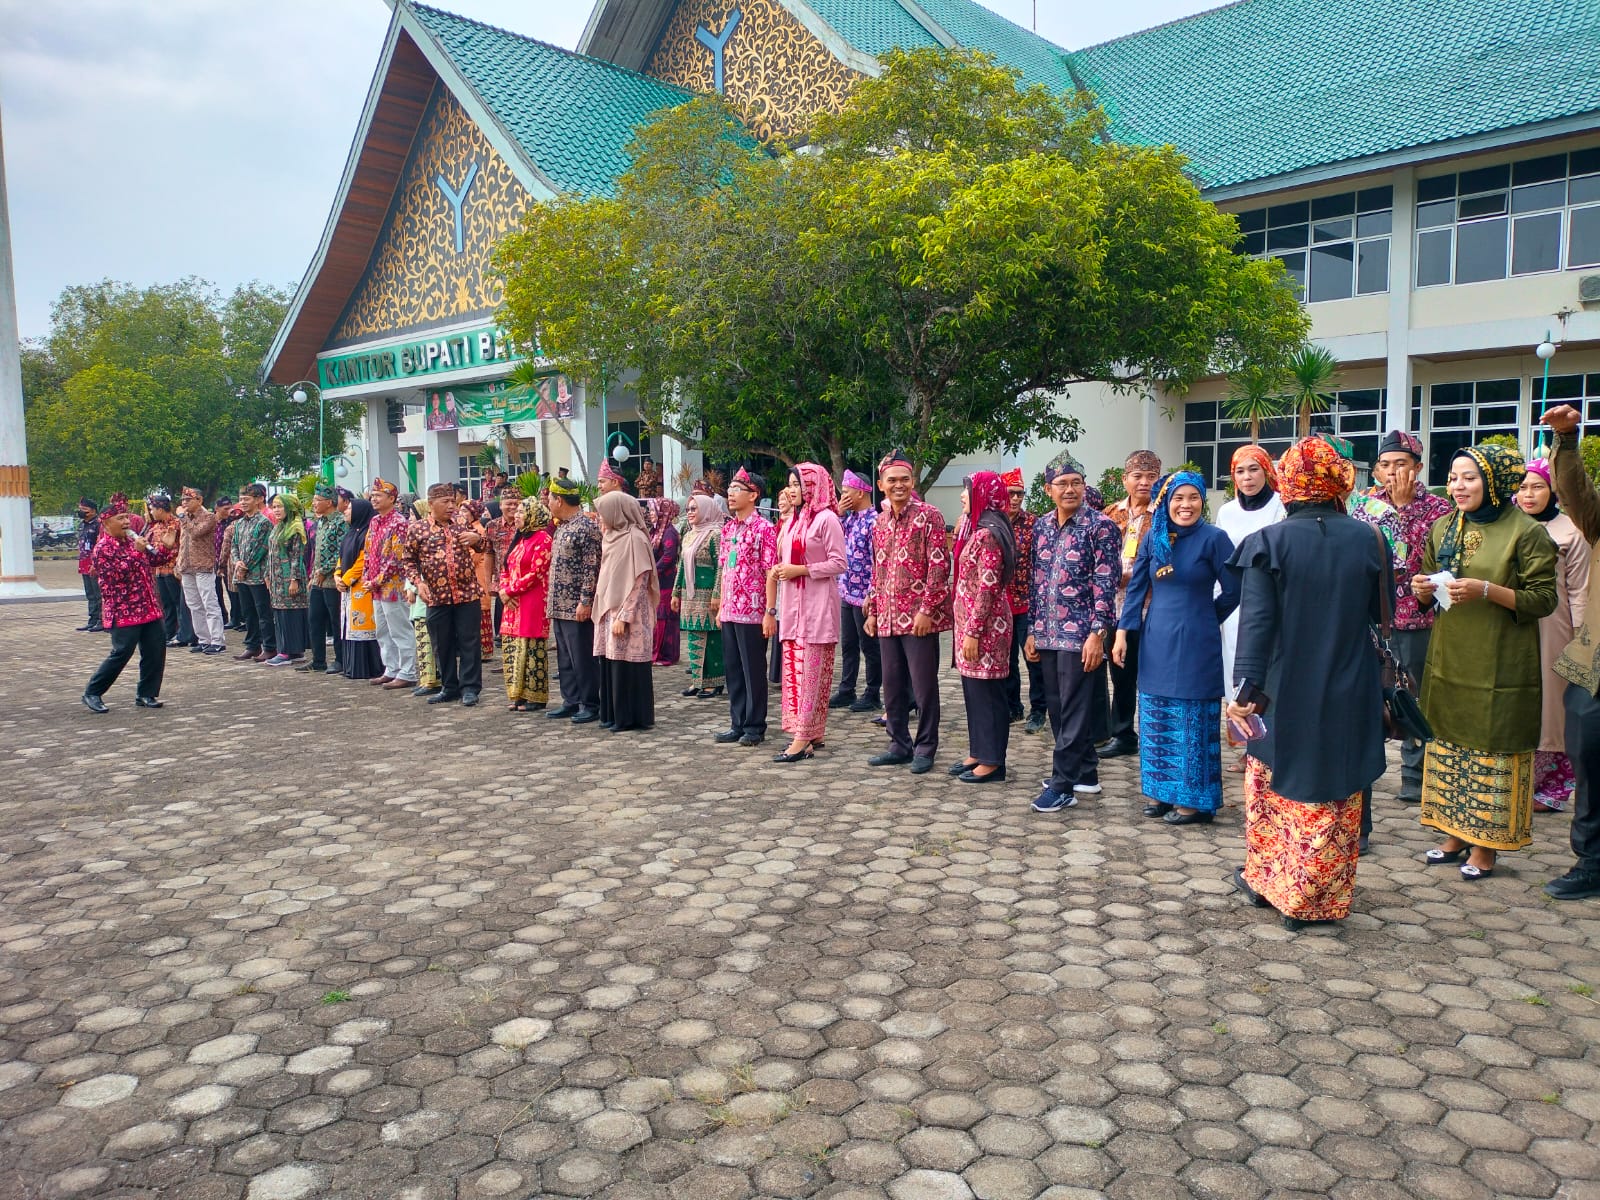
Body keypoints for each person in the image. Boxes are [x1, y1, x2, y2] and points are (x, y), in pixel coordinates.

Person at [1227, 436, 1390, 930]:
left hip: (1281, 688)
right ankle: (1314, 898)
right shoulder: (1368, 538)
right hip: (1348, 682)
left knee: (1276, 787)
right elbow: (1381, 615)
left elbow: (1255, 627)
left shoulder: (1267, 543)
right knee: (1333, 791)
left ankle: (1271, 883)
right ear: (1339, 479)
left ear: (1287, 481)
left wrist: (1244, 695)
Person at [1412, 444, 1557, 881]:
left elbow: (1544, 599)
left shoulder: (1527, 532)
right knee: (1451, 744)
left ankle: (1487, 847)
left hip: (1500, 663)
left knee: (1492, 750)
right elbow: (1429, 582)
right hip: (1449, 658)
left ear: (1495, 481)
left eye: (1469, 477)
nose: (1458, 485)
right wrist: (1421, 589)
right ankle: (1454, 835)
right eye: (1454, 477)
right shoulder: (1443, 527)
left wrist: (1487, 590)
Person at [1113, 470, 1240, 824]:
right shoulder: (1154, 538)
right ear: (1166, 502)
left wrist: (1206, 616)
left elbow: (1234, 589)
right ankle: (1161, 793)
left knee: (1191, 716)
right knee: (1155, 713)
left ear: (1203, 501)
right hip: (1157, 637)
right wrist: (1123, 633)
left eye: (1193, 498)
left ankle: (1195, 802)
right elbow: (1136, 587)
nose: (1186, 506)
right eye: (1178, 499)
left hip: (1196, 638)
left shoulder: (1215, 539)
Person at [1025, 454, 1120, 811]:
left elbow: (1105, 583)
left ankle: (1063, 784)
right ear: (1048, 490)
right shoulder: (1042, 526)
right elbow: (1036, 581)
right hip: (1047, 633)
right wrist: (1032, 629)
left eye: (1076, 482)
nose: (1070, 489)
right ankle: (1087, 774)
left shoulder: (1101, 526)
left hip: (1081, 635)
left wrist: (1099, 633)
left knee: (1076, 709)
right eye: (1062, 484)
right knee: (1057, 708)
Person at [1369, 430, 1455, 803]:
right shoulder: (1366, 505)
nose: (1392, 473)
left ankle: (1413, 771)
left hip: (1420, 619)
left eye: (1401, 464)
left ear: (1417, 468)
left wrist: (1402, 511)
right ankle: (1367, 766)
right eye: (1385, 465)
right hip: (1374, 616)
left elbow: (1411, 560)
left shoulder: (1439, 511)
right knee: (1370, 693)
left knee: (1415, 693)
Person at [1540, 404, 1600, 898]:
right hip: (1594, 663)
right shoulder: (1597, 522)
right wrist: (1567, 440)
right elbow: (1576, 491)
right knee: (1589, 756)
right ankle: (1591, 862)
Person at [865, 453, 952, 774]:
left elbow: (940, 565)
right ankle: (899, 744)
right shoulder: (880, 521)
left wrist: (928, 610)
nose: (898, 485)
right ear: (881, 485)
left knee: (924, 686)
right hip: (887, 617)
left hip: (919, 620)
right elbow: (878, 569)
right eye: (892, 480)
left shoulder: (929, 516)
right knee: (892, 684)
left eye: (905, 479)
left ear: (912, 482)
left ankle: (926, 746)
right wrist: (873, 610)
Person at [1514, 458, 1589, 812]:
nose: (1528, 495)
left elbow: (1579, 589)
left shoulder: (1570, 530)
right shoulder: (1505, 526)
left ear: (1553, 490)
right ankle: (1515, 781)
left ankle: (1552, 789)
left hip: (1554, 626)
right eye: (1522, 486)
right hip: (1511, 622)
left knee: (1552, 704)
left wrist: (1579, 639)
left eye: (1537, 486)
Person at [767, 464, 847, 762]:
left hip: (817, 608)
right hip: (793, 607)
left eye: (797, 485)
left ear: (813, 487)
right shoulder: (793, 520)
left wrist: (800, 569)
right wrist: (781, 569)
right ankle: (812, 733)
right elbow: (785, 560)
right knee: (795, 671)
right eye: (789, 484)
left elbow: (839, 563)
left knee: (811, 672)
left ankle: (802, 739)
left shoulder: (827, 520)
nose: (791, 490)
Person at [949, 472, 1018, 783]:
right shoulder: (976, 527)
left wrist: (974, 631)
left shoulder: (988, 534)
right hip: (973, 625)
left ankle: (993, 761)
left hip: (986, 627)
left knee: (988, 694)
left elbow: (988, 586)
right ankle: (979, 750)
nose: (963, 496)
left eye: (968, 491)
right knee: (973, 691)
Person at [1213, 447, 1285, 719]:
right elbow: (1222, 559)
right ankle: (1243, 739)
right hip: (1234, 601)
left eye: (1254, 469)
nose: (1247, 478)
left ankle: (1266, 740)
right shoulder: (1227, 511)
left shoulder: (1281, 505)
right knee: (1235, 663)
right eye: (1240, 471)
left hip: (1269, 599)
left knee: (1268, 664)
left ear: (1267, 471)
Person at [402, 484, 487, 706]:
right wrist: (418, 583)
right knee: (442, 643)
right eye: (445, 502)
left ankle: (470, 688)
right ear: (431, 504)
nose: (451, 506)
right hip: (436, 596)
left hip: (467, 593)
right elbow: (408, 561)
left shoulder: (462, 523)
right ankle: (449, 686)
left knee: (470, 642)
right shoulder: (417, 529)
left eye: (453, 501)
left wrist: (477, 539)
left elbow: (484, 546)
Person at [1102, 450, 1163, 758]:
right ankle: (1123, 733)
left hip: (1153, 608)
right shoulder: (1111, 512)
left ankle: (1156, 734)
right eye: (1137, 476)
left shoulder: (1167, 512)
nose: (1144, 482)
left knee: (1153, 675)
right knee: (1121, 673)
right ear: (1124, 479)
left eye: (1151, 477)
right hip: (1116, 608)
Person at [81, 506, 167, 713]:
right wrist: (137, 553)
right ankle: (93, 692)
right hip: (124, 609)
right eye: (120, 518)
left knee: (155, 650)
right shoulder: (103, 548)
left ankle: (147, 693)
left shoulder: (132, 541)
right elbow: (117, 575)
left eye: (127, 517)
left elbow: (155, 560)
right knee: (121, 652)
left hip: (148, 606)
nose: (126, 522)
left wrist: (163, 547)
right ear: (106, 523)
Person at [715, 467, 778, 747]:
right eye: (729, 489)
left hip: (753, 611)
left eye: (737, 489)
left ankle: (755, 725)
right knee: (733, 669)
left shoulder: (764, 529)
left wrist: (769, 612)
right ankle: (737, 722)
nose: (730, 493)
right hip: (729, 609)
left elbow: (770, 572)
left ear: (754, 495)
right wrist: (719, 606)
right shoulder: (728, 528)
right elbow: (723, 570)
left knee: (753, 670)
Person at [592, 490, 658, 732]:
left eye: (604, 513)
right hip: (609, 609)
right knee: (611, 662)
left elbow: (641, 580)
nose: (601, 519)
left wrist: (624, 616)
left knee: (628, 663)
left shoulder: (635, 539)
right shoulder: (611, 536)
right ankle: (611, 714)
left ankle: (631, 717)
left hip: (631, 614)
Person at [546, 474, 603, 723]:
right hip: (558, 604)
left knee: (582, 657)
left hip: (576, 605)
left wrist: (585, 601)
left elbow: (592, 567)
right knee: (565, 658)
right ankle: (570, 700)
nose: (547, 501)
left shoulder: (586, 527)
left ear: (559, 500)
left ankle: (590, 703)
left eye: (549, 497)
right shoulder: (562, 527)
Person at [829, 469, 880, 713]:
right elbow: (833, 538)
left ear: (860, 493)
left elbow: (877, 561)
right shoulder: (848, 519)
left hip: (865, 595)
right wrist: (839, 513)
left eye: (846, 492)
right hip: (847, 590)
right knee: (848, 644)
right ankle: (846, 689)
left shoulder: (874, 522)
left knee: (869, 647)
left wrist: (872, 593)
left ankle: (872, 692)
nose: (843, 496)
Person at [1001, 468, 1046, 734]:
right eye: (1010, 494)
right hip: (1002, 604)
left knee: (1034, 659)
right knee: (1006, 661)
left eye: (1019, 493)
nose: (1015, 499)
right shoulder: (994, 522)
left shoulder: (1034, 524)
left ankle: (1039, 710)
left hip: (1028, 603)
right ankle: (1012, 707)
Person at [499, 496, 554, 711]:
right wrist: (504, 590)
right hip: (512, 602)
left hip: (532, 601)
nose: (516, 515)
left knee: (532, 648)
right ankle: (518, 695)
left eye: (521, 512)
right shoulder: (520, 538)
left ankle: (536, 697)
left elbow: (536, 573)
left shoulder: (543, 539)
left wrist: (509, 590)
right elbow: (506, 567)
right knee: (514, 647)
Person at [364, 479, 418, 689]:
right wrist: (368, 577)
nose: (373, 499)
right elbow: (368, 551)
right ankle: (391, 668)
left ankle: (408, 671)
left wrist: (377, 580)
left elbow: (396, 559)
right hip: (375, 588)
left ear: (392, 499)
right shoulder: (375, 521)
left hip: (393, 586)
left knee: (400, 630)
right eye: (373, 495)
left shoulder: (399, 523)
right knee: (382, 631)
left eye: (378, 496)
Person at [673, 495, 725, 698]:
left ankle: (715, 681)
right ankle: (697, 680)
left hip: (708, 594)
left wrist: (717, 594)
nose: (690, 512)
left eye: (694, 508)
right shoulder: (688, 535)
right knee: (694, 636)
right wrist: (676, 592)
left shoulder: (715, 535)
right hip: (689, 595)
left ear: (706, 509)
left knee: (712, 638)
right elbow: (681, 566)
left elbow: (721, 567)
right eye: (688, 509)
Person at [335, 498, 385, 680]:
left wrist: (347, 579)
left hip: (361, 586)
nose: (346, 511)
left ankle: (368, 667)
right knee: (349, 625)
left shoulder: (367, 534)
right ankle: (350, 666)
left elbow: (363, 560)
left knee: (363, 624)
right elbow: (341, 557)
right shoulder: (350, 534)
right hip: (347, 588)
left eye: (349, 508)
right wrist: (338, 575)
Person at [300, 484, 347, 674]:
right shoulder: (320, 523)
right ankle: (318, 660)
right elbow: (315, 553)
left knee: (336, 622)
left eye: (317, 501)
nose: (314, 504)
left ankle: (341, 659)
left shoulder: (340, 522)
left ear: (329, 502)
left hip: (332, 581)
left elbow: (340, 551)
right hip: (317, 580)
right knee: (315, 620)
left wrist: (324, 570)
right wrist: (313, 575)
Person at [230, 484, 277, 662]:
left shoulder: (264, 523)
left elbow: (261, 549)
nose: (243, 502)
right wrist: (237, 562)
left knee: (263, 612)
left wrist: (245, 566)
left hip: (257, 574)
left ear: (258, 500)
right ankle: (252, 645)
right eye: (241, 499)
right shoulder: (239, 523)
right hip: (241, 574)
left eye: (247, 499)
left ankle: (270, 646)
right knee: (248, 612)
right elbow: (234, 545)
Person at [262, 492, 311, 665]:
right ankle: (290, 651)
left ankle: (289, 651)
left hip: (289, 579)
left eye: (280, 506)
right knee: (280, 614)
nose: (276, 510)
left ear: (290, 507)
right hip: (276, 579)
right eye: (274, 507)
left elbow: (297, 556)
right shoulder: (278, 527)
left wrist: (294, 579)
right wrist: (267, 574)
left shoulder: (295, 528)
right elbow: (271, 553)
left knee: (291, 614)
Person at [176, 487, 224, 655]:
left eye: (188, 500)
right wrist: (178, 563)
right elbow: (182, 542)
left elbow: (196, 533)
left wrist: (182, 517)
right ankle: (204, 639)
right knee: (194, 605)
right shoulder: (186, 518)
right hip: (186, 567)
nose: (184, 503)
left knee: (209, 603)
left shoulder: (209, 517)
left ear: (200, 500)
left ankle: (217, 640)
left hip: (203, 566)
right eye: (182, 500)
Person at [405, 498, 443, 698]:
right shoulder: (414, 537)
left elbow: (422, 567)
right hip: (417, 598)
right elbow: (409, 565)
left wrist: (413, 586)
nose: (411, 518)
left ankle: (433, 680)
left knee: (428, 641)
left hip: (426, 597)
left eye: (413, 514)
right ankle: (426, 678)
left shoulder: (427, 538)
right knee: (421, 640)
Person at [144, 494, 191, 647]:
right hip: (159, 570)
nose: (151, 512)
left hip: (173, 569)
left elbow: (180, 547)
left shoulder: (177, 523)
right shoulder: (155, 526)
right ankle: (169, 633)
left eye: (152, 509)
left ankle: (183, 634)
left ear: (160, 509)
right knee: (166, 603)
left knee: (179, 603)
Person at [648, 498, 682, 667]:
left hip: (666, 581)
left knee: (665, 618)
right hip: (658, 581)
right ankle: (658, 653)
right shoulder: (655, 531)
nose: (650, 514)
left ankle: (666, 655)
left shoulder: (668, 532)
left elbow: (668, 556)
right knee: (658, 617)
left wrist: (653, 571)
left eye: (654, 511)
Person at [75, 497, 104, 632]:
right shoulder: (82, 524)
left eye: (84, 510)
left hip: (95, 563)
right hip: (84, 562)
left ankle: (101, 620)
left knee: (98, 593)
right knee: (90, 594)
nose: (81, 512)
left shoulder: (99, 524)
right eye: (80, 509)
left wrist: (96, 563)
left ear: (93, 511)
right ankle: (92, 619)